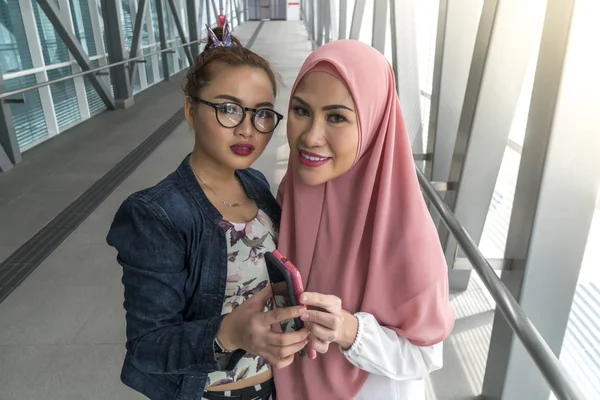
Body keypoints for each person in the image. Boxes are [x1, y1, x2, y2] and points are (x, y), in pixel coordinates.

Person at [106, 23, 308, 400]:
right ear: (190, 109)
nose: (247, 129)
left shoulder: (257, 185)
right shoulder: (156, 213)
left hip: (278, 388)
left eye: (261, 114)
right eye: (229, 109)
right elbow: (147, 346)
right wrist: (228, 333)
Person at [274, 39, 455, 400]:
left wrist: (350, 331)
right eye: (301, 110)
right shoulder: (290, 195)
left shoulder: (408, 231)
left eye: (337, 117)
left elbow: (426, 354)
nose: (310, 137)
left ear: (373, 124)